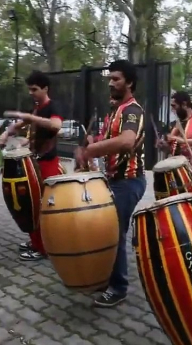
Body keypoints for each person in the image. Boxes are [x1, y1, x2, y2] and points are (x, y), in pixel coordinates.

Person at [75, 60, 147, 308]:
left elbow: (127, 141)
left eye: (116, 79)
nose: (110, 83)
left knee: (114, 233)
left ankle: (119, 287)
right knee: (104, 230)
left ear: (129, 82)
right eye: (109, 79)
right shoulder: (115, 111)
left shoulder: (133, 111)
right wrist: (89, 148)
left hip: (129, 182)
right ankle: (107, 278)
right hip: (113, 181)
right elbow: (107, 143)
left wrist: (92, 149)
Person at [0, 70, 66, 261]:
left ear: (45, 88)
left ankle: (42, 248)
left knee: (41, 207)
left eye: (34, 89)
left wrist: (29, 118)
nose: (31, 93)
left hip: (48, 164)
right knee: (31, 206)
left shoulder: (53, 106)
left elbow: (55, 126)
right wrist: (7, 133)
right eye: (29, 89)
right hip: (35, 162)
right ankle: (37, 242)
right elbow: (21, 124)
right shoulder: (36, 108)